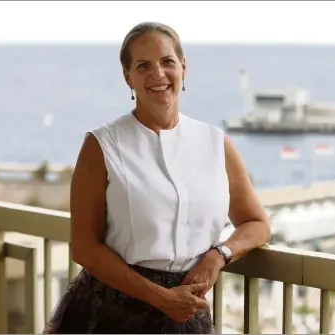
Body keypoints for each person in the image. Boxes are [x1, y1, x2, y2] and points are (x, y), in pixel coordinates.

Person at [43, 21, 270, 334]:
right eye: (143, 65)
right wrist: (160, 297)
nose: (158, 74)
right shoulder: (102, 145)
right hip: (111, 314)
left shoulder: (216, 143)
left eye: (167, 62)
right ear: (128, 77)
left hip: (187, 313)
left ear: (183, 68)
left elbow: (257, 223)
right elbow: (84, 247)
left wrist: (218, 256)